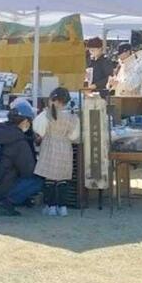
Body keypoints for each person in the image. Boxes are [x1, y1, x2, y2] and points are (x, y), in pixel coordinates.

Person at [0, 98, 42, 216]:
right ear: (25, 121)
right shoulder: (19, 141)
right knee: (37, 180)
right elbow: (28, 170)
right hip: (3, 181)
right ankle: (7, 200)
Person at [33, 87, 80, 217]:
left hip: (49, 145)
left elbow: (39, 129)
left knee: (50, 178)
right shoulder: (72, 116)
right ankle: (62, 206)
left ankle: (51, 206)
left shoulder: (46, 114)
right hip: (65, 146)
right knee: (62, 178)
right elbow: (74, 136)